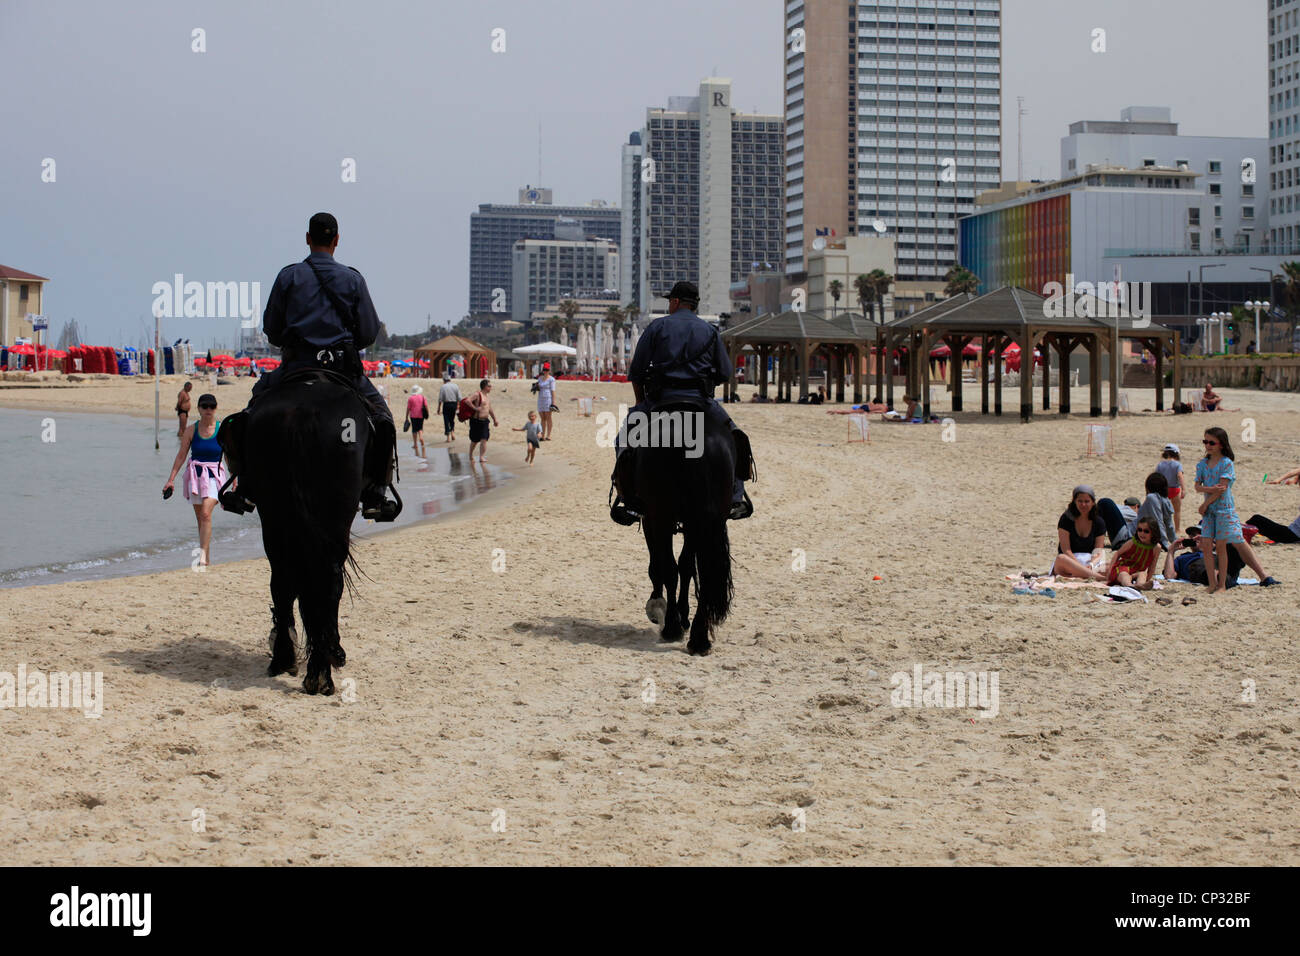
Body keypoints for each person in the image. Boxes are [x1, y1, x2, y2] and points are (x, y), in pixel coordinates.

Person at [219, 212, 399, 520]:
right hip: (342, 370)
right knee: (383, 421)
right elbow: (368, 333)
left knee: (249, 414)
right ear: (337, 241)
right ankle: (376, 494)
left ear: (307, 238)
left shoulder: (288, 276)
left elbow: (272, 330)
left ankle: (244, 486)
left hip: (294, 367)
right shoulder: (353, 279)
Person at [612, 280, 754, 523]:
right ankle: (736, 496)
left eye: (670, 301)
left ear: (676, 302)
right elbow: (724, 373)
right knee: (736, 437)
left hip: (660, 400)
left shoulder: (657, 327)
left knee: (623, 440)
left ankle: (629, 500)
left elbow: (636, 371)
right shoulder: (710, 331)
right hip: (701, 401)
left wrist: (640, 404)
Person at [1195, 427, 1277, 591]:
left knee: (1230, 543)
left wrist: (1205, 502)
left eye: (1211, 442)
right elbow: (1201, 486)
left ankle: (1226, 584)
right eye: (1205, 442)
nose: (1207, 445)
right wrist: (1210, 491)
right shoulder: (1203, 464)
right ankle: (1216, 583)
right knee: (1220, 543)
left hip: (1223, 509)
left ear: (1221, 444)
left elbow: (1222, 489)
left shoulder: (1226, 463)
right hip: (1211, 511)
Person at [163, 393, 226, 567]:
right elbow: (181, 455)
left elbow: (229, 456)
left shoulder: (222, 429)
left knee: (206, 513)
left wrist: (235, 481)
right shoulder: (191, 430)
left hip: (214, 475)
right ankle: (207, 557)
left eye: (211, 406)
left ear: (216, 408)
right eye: (204, 406)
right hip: (196, 476)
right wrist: (171, 480)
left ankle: (202, 559)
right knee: (201, 518)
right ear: (198, 408)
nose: (208, 410)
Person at [1053, 485, 1108, 581]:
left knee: (1110, 565)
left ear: (1093, 503)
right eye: (1080, 501)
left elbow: (1098, 551)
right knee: (1061, 558)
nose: (1083, 505)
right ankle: (1097, 577)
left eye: (1087, 501)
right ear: (1074, 502)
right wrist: (1079, 565)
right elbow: (1066, 550)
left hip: (1090, 561)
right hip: (1070, 561)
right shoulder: (1066, 519)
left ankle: (1083, 575)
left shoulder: (1099, 522)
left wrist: (1091, 564)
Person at [1105, 516, 1162, 590]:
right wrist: (1109, 572)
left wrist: (1147, 579)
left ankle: (1140, 585)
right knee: (1124, 574)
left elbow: (1152, 566)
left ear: (1153, 532)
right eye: (1139, 530)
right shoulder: (1133, 542)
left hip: (1137, 571)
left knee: (1142, 574)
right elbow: (1117, 554)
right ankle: (1130, 586)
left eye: (1146, 531)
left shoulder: (1156, 547)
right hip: (1122, 568)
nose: (1142, 533)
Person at [467, 378, 499, 463]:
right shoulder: (478, 394)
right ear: (485, 387)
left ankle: (481, 457)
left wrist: (494, 419)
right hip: (476, 420)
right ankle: (470, 454)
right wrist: (476, 408)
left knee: (484, 439)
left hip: (485, 421)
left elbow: (489, 408)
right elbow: (468, 401)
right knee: (474, 440)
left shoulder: (487, 396)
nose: (491, 387)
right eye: (489, 386)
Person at [1157, 442, 1185, 532]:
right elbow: (1180, 476)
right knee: (1177, 511)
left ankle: (1162, 528)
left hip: (1163, 489)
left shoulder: (1161, 464)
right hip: (1174, 489)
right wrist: (1184, 489)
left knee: (1161, 511)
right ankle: (1177, 529)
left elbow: (1156, 477)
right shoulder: (1177, 464)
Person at [405, 385, 429, 458]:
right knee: (420, 428)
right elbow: (426, 406)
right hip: (421, 415)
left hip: (413, 416)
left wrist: (406, 417)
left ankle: (415, 444)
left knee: (414, 430)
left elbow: (408, 408)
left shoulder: (410, 398)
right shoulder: (422, 397)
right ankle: (421, 437)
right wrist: (428, 413)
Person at [438, 371, 461, 443]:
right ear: (450, 380)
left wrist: (438, 408)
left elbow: (440, 399)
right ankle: (452, 433)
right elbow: (459, 397)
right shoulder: (455, 386)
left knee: (446, 420)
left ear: (444, 380)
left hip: (446, 404)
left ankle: (448, 437)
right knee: (452, 419)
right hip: (454, 404)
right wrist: (458, 405)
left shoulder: (443, 387)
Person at [537, 363, 557, 440]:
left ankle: (548, 435)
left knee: (548, 417)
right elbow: (538, 387)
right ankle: (542, 435)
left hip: (548, 399)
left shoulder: (551, 379)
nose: (545, 371)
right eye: (544, 369)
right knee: (542, 418)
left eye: (547, 370)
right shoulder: (540, 378)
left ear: (549, 370)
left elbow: (553, 391)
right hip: (540, 399)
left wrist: (553, 402)